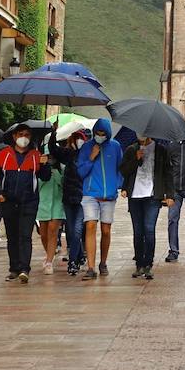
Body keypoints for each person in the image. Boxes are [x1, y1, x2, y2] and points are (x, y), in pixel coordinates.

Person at [0, 123, 50, 283]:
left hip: (29, 202)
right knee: (12, 236)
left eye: (27, 135)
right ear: (14, 136)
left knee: (25, 236)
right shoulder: (5, 154)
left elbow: (45, 177)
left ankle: (24, 269)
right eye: (21, 134)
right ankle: (14, 268)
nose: (24, 138)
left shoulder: (36, 156)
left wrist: (44, 164)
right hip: (8, 202)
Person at [119, 136, 178, 281]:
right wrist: (135, 159)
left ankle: (148, 263)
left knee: (149, 229)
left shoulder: (161, 150)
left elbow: (168, 173)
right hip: (135, 196)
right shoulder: (131, 149)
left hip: (152, 196)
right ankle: (139, 263)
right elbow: (124, 171)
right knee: (138, 231)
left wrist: (170, 194)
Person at [77, 118, 122, 280]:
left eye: (103, 133)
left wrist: (117, 185)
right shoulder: (86, 147)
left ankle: (103, 262)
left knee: (106, 230)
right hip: (90, 194)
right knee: (90, 226)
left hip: (108, 195)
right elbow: (80, 172)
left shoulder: (115, 146)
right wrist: (91, 157)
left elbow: (120, 168)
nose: (100, 136)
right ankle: (90, 267)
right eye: (98, 133)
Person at [53, 129, 87, 276]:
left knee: (77, 230)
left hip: (82, 198)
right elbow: (54, 150)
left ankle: (73, 262)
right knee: (71, 230)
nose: (79, 141)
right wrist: (53, 133)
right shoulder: (68, 155)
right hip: (68, 197)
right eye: (76, 138)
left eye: (81, 139)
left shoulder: (87, 155)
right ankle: (79, 256)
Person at [36, 143, 65, 275]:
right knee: (43, 234)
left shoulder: (61, 168)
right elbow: (37, 186)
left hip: (57, 203)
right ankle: (49, 254)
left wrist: (55, 173)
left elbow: (63, 184)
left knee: (53, 230)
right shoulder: (39, 168)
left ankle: (49, 261)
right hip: (43, 203)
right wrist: (44, 170)